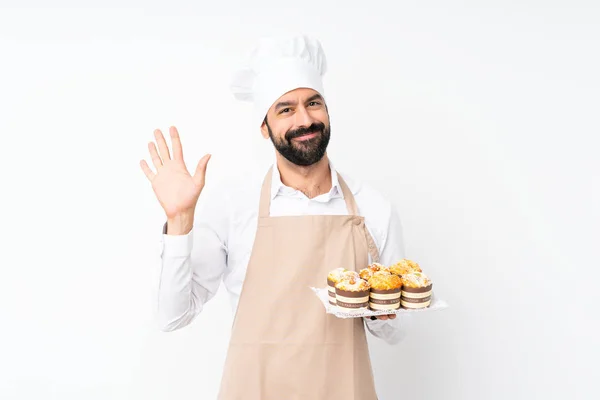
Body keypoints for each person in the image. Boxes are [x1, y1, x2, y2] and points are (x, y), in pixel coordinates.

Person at [140, 35, 411, 400]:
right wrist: (179, 221)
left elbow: (399, 331)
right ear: (265, 126)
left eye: (313, 103)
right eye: (286, 109)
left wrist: (380, 312)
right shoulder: (233, 204)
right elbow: (172, 316)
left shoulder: (372, 206)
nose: (305, 119)